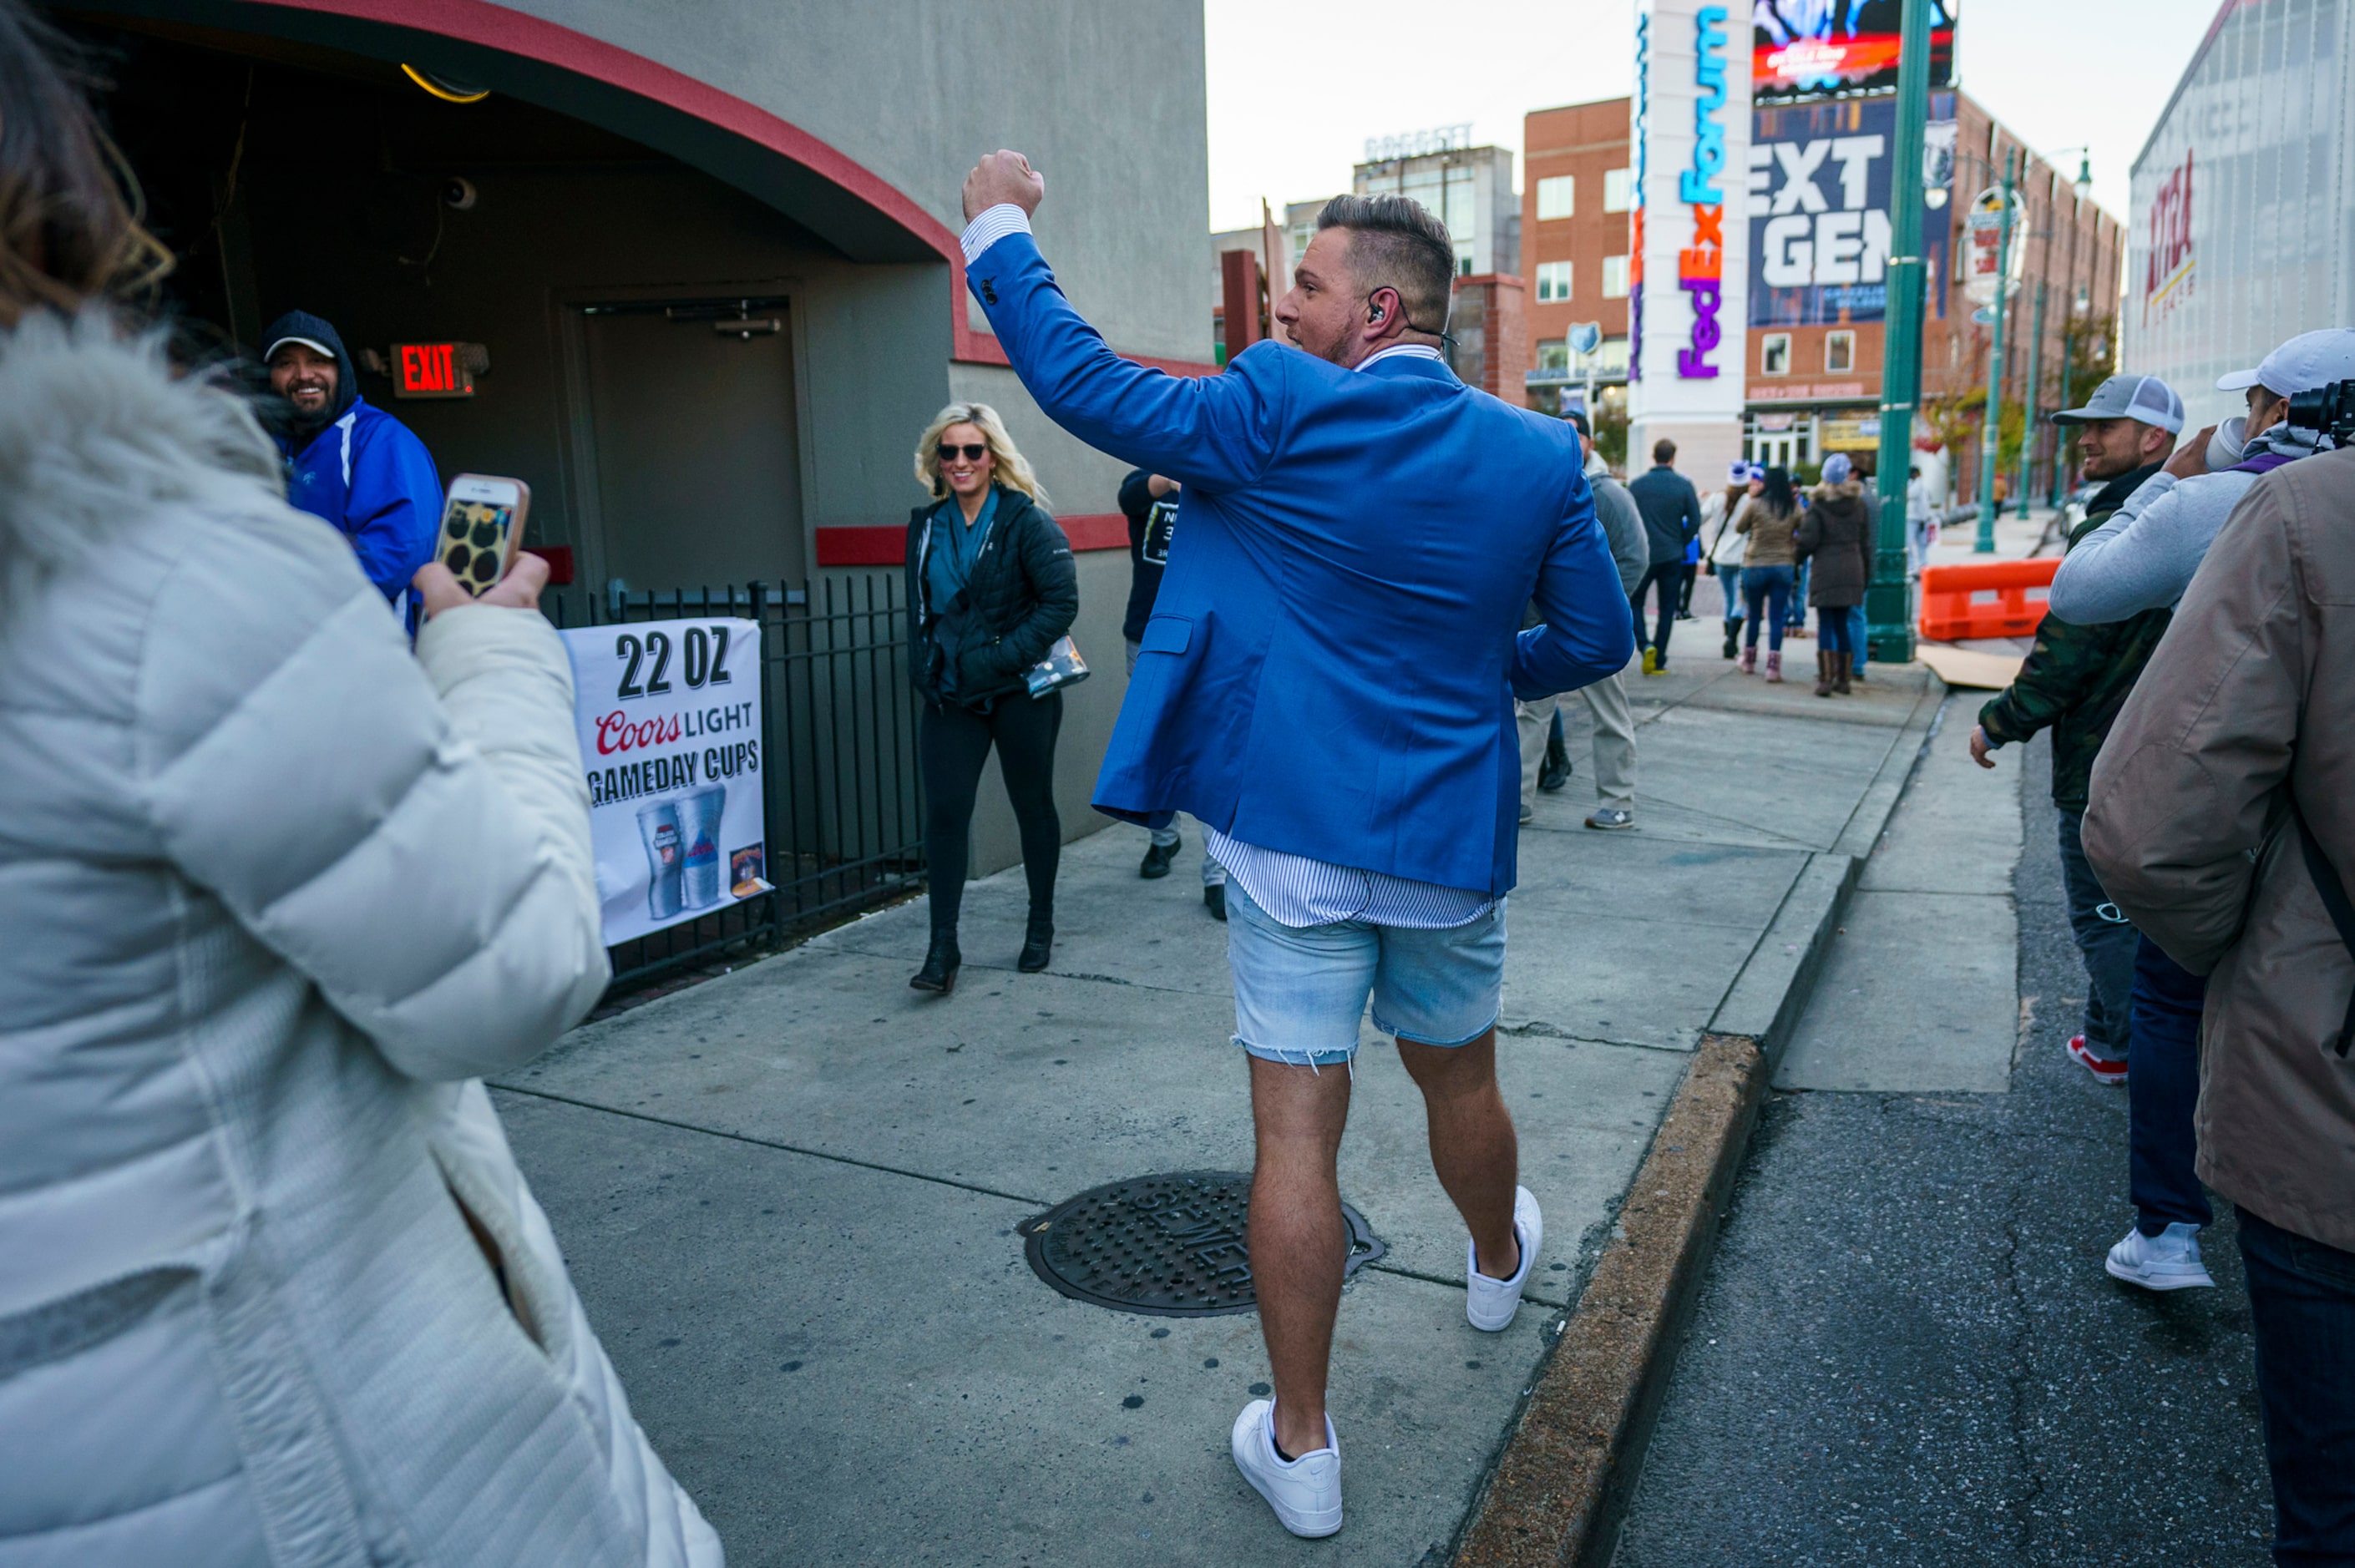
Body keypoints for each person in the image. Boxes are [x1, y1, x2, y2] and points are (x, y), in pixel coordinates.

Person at [0, 10, 722, 1560]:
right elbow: (514, 963)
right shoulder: (160, 585)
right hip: (314, 1466)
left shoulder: (345, 474)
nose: (306, 377)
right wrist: (498, 655)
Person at [956, 153, 1632, 1539]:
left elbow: (1083, 387)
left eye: (1305, 289)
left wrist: (1000, 222)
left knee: (1293, 1142)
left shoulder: (1278, 412)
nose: (1280, 311)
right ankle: (1499, 1252)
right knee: (1463, 1087)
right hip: (1446, 843)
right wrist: (1472, 683)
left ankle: (1306, 1449)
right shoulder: (1538, 453)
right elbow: (1600, 639)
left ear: (1380, 310)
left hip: (1291, 856)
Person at [2081, 442, 2355, 1564]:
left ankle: (2165, 1223)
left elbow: (2152, 836)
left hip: (2327, 1083)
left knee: (2332, 1513)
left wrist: (2244, 955)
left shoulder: (2297, 511)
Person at [2049, 332, 2355, 1293]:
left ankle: (2171, 1225)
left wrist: (2176, 480)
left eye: (2254, 404)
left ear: (2274, 410)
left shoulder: (2241, 501)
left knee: (2179, 995)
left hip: (2258, 830)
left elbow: (2082, 588)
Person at [1968, 374, 2182, 1087]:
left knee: (2104, 917)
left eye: (2105, 428)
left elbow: (2065, 656)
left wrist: (1998, 723)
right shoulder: (2203, 514)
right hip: (2179, 757)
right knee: (2143, 916)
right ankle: (2109, 1041)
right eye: (2083, 427)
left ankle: (2157, 1061)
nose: (2085, 439)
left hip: (2104, 763)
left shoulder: (2120, 531)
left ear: (2153, 438)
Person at [904, 402, 1077, 993]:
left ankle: (1040, 924)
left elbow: (1060, 603)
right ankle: (942, 948)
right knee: (947, 813)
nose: (959, 462)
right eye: (948, 452)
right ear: (937, 460)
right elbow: (921, 610)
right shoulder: (926, 526)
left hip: (1018, 690)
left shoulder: (1025, 522)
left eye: (972, 451)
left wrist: (1005, 657)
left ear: (993, 458)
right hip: (952, 693)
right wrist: (923, 669)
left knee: (1033, 806)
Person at [261, 308, 444, 615]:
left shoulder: (380, 439)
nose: (304, 374)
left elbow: (395, 554)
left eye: (317, 361)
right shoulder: (268, 447)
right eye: (286, 363)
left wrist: (287, 583)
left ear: (340, 370)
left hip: (373, 638)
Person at [1521, 408, 1647, 830]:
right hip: (1543, 628)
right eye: (1562, 434)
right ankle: (1516, 799)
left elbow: (1636, 556)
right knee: (1530, 714)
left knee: (1610, 714)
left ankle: (1618, 802)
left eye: (1576, 435)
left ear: (1591, 443)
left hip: (1592, 630)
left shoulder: (1608, 495)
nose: (1569, 442)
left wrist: (1605, 610)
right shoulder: (1546, 485)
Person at [1117, 468, 1231, 917]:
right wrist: (1173, 475)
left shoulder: (1226, 479)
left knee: (1209, 752)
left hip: (1210, 635)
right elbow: (1128, 497)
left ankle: (1218, 873)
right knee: (1155, 744)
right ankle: (1163, 838)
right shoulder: (1149, 481)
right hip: (1147, 634)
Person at [1795, 452, 1873, 696]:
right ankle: (1844, 679)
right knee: (1843, 624)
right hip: (1853, 569)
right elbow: (1866, 543)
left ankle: (1826, 680)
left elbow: (1808, 542)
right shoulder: (1858, 505)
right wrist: (1866, 575)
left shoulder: (1818, 506)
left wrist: (1794, 560)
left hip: (1826, 571)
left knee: (1826, 625)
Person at [1628, 437, 1703, 674]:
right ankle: (1659, 657)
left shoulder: (1637, 486)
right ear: (1672, 457)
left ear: (1654, 456)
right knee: (1667, 607)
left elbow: (1628, 518)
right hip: (1672, 555)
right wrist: (1682, 540)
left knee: (1635, 601)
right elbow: (1696, 520)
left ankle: (1644, 644)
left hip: (1644, 554)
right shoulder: (1683, 485)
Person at [1737, 464, 1802, 681]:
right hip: (1783, 564)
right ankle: (1773, 668)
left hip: (1755, 563)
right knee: (1776, 617)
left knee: (1754, 615)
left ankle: (1749, 660)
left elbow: (1739, 527)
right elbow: (1805, 527)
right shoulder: (1793, 506)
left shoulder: (1755, 504)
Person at [1705, 461, 1755, 659]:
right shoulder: (1750, 501)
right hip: (1742, 556)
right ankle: (1732, 639)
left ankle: (1728, 636)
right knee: (1740, 600)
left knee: (1728, 597)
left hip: (1721, 558)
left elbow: (1699, 517)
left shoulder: (1717, 498)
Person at [1905, 463, 1937, 574]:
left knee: (1917, 543)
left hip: (1918, 518)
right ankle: (1915, 566)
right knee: (1912, 543)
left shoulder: (1918, 485)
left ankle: (1919, 566)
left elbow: (1911, 494)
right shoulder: (1917, 485)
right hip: (1916, 518)